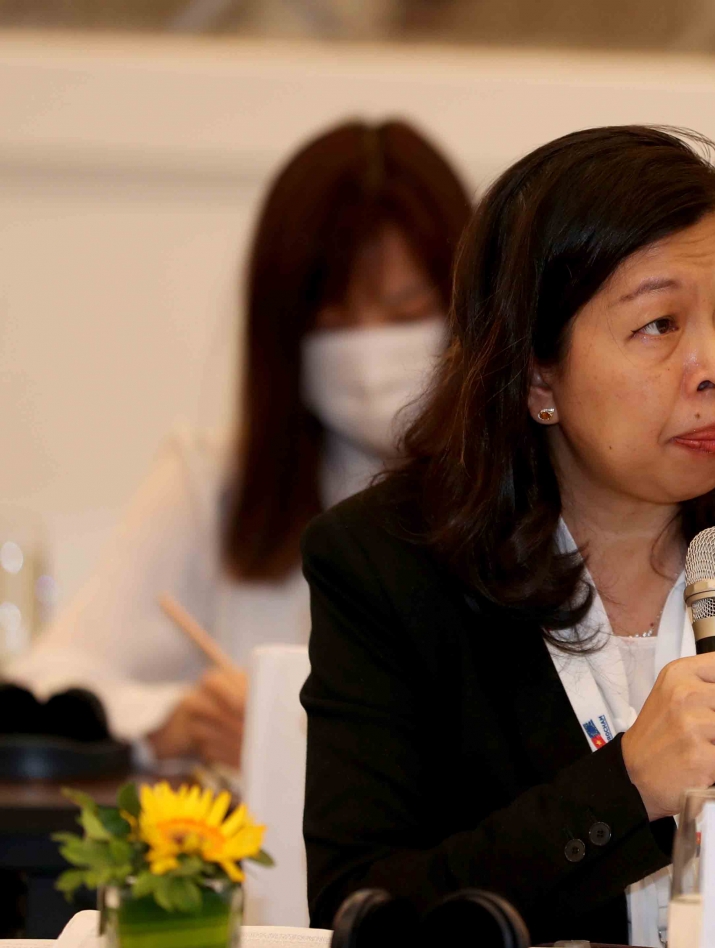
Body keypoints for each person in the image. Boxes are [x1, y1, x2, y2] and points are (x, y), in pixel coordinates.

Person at [301, 125, 715, 944]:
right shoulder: (390, 563)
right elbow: (362, 911)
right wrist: (628, 785)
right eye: (659, 325)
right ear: (536, 373)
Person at [9, 120, 471, 768]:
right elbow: (45, 682)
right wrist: (177, 722)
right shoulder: (213, 480)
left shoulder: (528, 489)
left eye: (405, 313)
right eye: (333, 320)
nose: (368, 357)